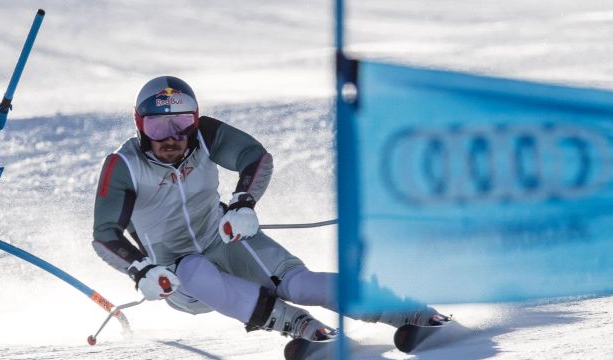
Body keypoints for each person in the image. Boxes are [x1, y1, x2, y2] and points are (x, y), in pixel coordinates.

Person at [93, 76, 447, 343]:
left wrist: (243, 203)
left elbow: (254, 156)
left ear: (195, 121)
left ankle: (403, 309)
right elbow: (104, 233)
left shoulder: (204, 136)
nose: (171, 137)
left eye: (181, 124)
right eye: (157, 126)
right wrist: (141, 270)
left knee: (300, 284)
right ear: (140, 126)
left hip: (223, 239)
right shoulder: (124, 165)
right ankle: (293, 323)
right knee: (195, 267)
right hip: (177, 275)